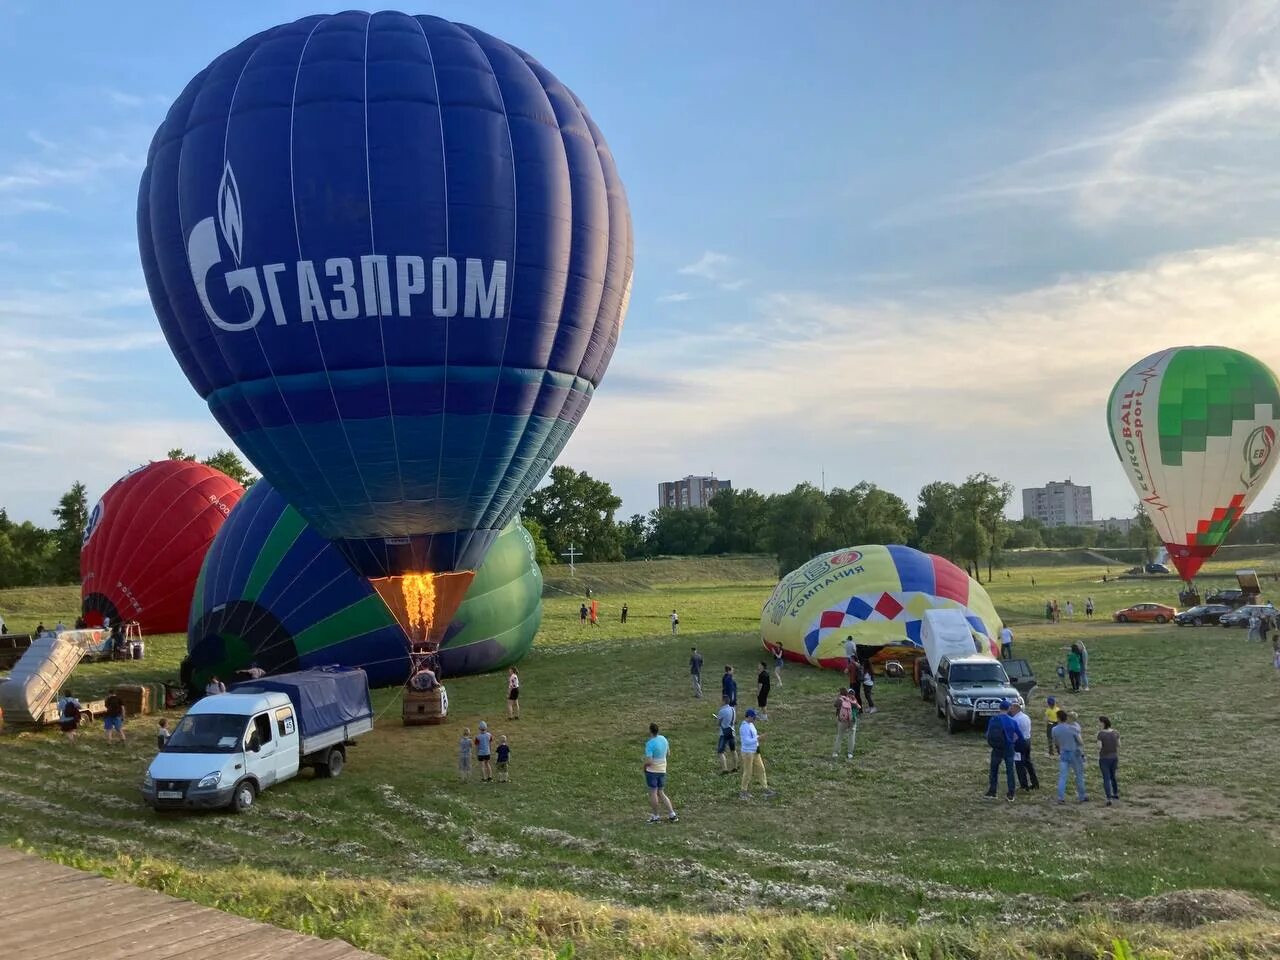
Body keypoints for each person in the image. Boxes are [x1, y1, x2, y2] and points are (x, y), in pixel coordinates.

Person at [983, 700, 1018, 802]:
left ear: (999, 708)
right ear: (1008, 709)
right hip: (1009, 748)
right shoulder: (1012, 721)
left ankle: (992, 791)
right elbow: (1019, 735)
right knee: (1010, 771)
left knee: (994, 770)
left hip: (997, 748)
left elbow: (987, 734)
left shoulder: (993, 719)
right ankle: (1011, 794)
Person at [643, 722, 678, 822]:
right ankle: (672, 814)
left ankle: (655, 816)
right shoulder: (663, 739)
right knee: (661, 792)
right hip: (662, 770)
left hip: (652, 771)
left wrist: (644, 766)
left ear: (650, 731)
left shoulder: (650, 744)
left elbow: (649, 761)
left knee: (653, 793)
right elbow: (668, 753)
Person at [1052, 709, 1088, 803]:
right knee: (1079, 775)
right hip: (1075, 753)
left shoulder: (1054, 729)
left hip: (1064, 752)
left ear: (1058, 718)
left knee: (1063, 776)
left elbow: (1056, 742)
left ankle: (1061, 797)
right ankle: (1082, 796)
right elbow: (1080, 742)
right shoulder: (1072, 728)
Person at [738, 709, 774, 799]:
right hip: (747, 752)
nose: (755, 719)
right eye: (754, 717)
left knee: (761, 769)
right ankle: (743, 791)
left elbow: (753, 737)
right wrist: (759, 738)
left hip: (755, 751)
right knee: (748, 772)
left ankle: (765, 788)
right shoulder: (744, 727)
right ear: (749, 717)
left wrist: (757, 740)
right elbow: (746, 741)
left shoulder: (751, 724)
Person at [1009, 701, 1039, 790]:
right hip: (1027, 741)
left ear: (1016, 709)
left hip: (1019, 743)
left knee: (1019, 764)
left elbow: (1014, 734)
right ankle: (1035, 783)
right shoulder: (1026, 717)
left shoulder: (1015, 720)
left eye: (1012, 708)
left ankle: (1024, 785)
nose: (1010, 710)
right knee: (1028, 762)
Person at [1097, 716, 1120, 805]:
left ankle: (1108, 798)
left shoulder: (1101, 734)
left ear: (1103, 723)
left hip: (1104, 758)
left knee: (1106, 778)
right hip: (1114, 757)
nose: (1098, 724)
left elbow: (1099, 746)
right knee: (1113, 776)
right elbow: (1119, 745)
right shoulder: (1116, 733)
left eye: (1099, 722)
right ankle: (1115, 793)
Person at [832, 686, 859, 760]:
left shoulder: (840, 700)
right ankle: (850, 753)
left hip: (842, 720)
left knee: (839, 736)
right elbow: (858, 708)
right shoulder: (854, 700)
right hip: (852, 720)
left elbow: (835, 705)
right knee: (851, 736)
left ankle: (835, 752)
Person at [716, 696, 738, 774]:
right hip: (732, 731)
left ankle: (725, 769)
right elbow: (734, 721)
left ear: (724, 701)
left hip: (724, 733)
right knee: (733, 750)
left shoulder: (722, 711)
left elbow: (718, 723)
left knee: (720, 751)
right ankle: (735, 767)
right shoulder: (733, 709)